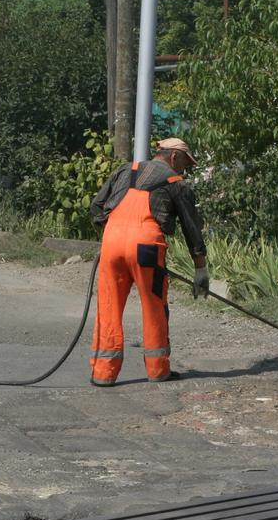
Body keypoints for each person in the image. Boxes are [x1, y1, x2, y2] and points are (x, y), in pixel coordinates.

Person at [87, 137, 209, 387]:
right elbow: (191, 228)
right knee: (154, 307)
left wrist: (113, 234)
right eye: (185, 162)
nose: (184, 169)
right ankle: (158, 370)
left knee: (108, 306)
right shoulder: (176, 183)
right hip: (146, 246)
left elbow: (97, 206)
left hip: (111, 240)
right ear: (174, 156)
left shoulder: (126, 170)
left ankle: (103, 373)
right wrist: (201, 270)